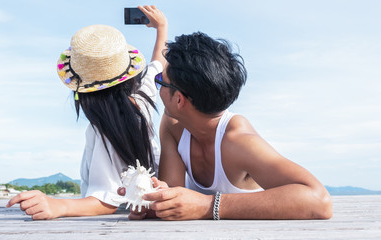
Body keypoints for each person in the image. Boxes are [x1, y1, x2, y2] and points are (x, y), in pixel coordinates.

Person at [132, 32, 333, 220]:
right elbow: (170, 199)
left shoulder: (238, 140)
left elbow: (320, 201)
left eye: (160, 81)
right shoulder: (173, 125)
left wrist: (208, 205)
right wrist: (146, 200)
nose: (158, 90)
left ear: (179, 99)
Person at [6, 5, 168, 220]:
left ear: (82, 91)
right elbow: (157, 64)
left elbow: (107, 201)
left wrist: (58, 206)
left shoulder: (107, 128)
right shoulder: (141, 101)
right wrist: (162, 27)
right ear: (129, 75)